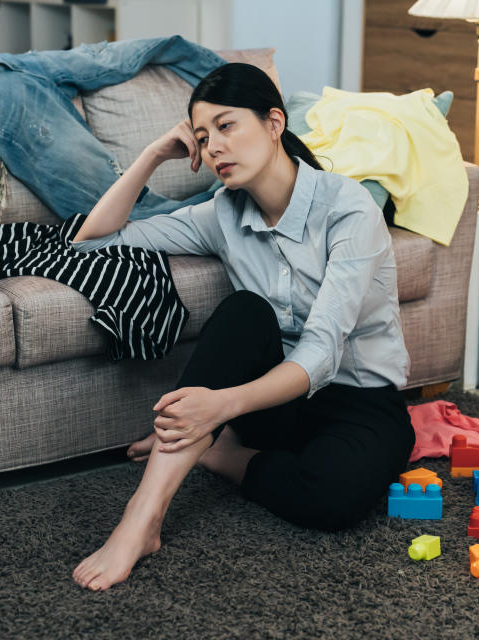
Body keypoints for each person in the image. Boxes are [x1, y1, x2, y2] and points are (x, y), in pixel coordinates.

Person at [69, 63, 415, 591]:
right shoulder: (221, 213)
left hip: (360, 397)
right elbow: (95, 242)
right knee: (246, 311)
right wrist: (152, 155)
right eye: (204, 138)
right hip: (271, 403)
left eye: (227, 127)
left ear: (274, 122)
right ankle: (142, 516)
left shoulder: (348, 208)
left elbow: (322, 351)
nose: (214, 149)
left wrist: (220, 409)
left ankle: (219, 450)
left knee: (333, 500)